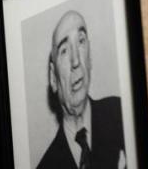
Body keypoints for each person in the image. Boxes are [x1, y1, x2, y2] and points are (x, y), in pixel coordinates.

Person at [37, 11, 126, 169]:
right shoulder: (46, 165)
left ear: (89, 57)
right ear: (53, 77)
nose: (76, 61)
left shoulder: (122, 114)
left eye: (81, 41)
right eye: (64, 50)